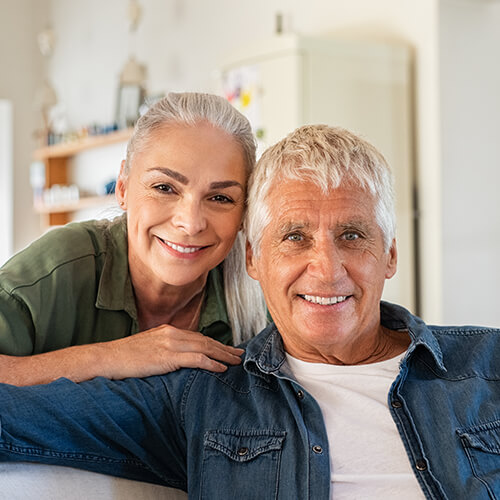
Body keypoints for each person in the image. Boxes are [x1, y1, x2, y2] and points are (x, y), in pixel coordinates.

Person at [0, 124, 499, 499]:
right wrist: (107, 358)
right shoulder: (205, 394)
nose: (326, 270)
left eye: (352, 235)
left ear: (390, 253)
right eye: (294, 237)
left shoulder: (486, 364)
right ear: (254, 258)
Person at [0, 92, 267, 386]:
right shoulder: (60, 267)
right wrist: (109, 357)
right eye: (165, 188)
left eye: (220, 197)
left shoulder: (261, 291)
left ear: (244, 213)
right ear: (123, 188)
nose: (191, 223)